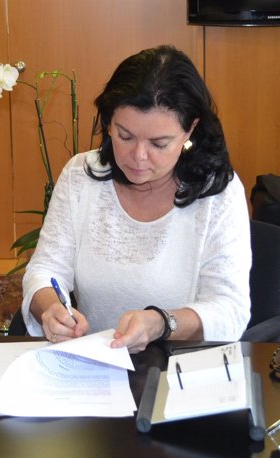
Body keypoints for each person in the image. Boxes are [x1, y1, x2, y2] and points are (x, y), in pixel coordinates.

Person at [21, 45, 251, 353]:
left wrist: (160, 323)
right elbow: (45, 269)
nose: (138, 157)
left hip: (181, 370)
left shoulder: (217, 192)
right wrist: (50, 309)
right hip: (95, 363)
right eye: (125, 135)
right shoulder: (82, 176)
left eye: (159, 143)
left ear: (190, 129)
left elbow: (230, 310)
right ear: (108, 123)